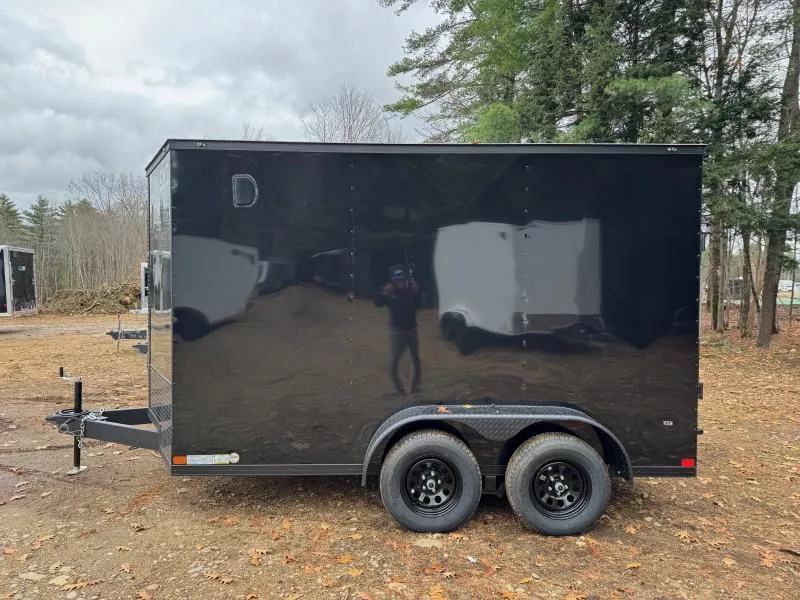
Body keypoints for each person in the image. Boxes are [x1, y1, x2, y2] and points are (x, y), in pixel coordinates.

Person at [375, 264, 423, 395]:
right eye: (397, 279)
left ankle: (415, 387)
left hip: (412, 329)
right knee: (395, 360)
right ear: (393, 280)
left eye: (402, 279)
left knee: (415, 357)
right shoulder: (391, 292)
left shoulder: (410, 290)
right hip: (397, 331)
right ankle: (399, 389)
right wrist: (385, 292)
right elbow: (378, 303)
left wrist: (417, 291)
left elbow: (420, 305)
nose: (400, 282)